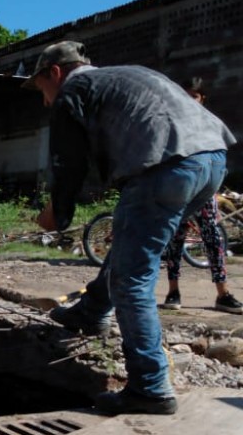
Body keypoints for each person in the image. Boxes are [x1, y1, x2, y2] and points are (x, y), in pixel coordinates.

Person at [26, 41, 236, 415]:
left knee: (132, 278)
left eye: (41, 88)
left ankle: (150, 388)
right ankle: (90, 310)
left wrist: (58, 212)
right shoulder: (124, 75)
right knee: (129, 247)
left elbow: (68, 163)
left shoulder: (72, 90)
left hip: (167, 163)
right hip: (211, 160)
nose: (44, 99)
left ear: (54, 72)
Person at [162, 77, 243, 314]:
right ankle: (172, 291)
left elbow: (220, 153)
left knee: (213, 241)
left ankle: (223, 293)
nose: (190, 101)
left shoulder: (211, 123)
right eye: (185, 96)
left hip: (205, 192)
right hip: (180, 192)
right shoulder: (173, 124)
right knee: (175, 242)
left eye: (194, 97)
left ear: (202, 98)